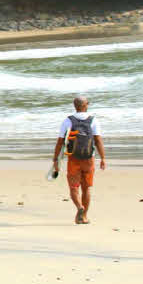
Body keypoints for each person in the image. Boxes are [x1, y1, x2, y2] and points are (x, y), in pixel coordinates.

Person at [53, 95, 106, 225]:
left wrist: (56, 159)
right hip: (89, 158)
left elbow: (60, 142)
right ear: (85, 105)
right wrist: (103, 158)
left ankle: (79, 207)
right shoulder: (93, 120)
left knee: (73, 187)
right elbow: (98, 140)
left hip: (73, 158)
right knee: (86, 188)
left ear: (75, 106)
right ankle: (84, 216)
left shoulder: (67, 121)